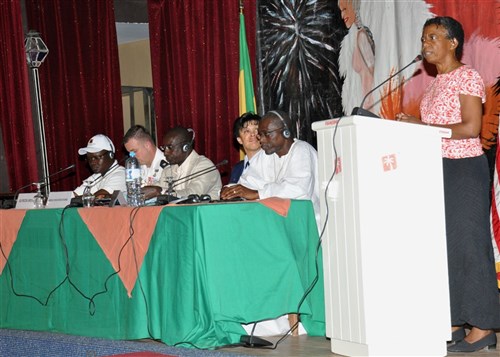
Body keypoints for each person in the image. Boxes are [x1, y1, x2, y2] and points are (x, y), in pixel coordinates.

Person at [396, 16, 500, 353]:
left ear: (453, 42)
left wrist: (420, 125)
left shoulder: (466, 76)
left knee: (469, 246)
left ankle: (483, 326)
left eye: (433, 37)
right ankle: (454, 321)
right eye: (423, 37)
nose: (425, 44)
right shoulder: (433, 85)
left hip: (464, 169)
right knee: (444, 250)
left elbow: (471, 127)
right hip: (436, 170)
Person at [220, 110, 320, 225]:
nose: (261, 140)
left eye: (266, 134)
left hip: (308, 223)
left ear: (285, 132)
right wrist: (230, 190)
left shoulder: (302, 150)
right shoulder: (266, 155)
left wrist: (257, 193)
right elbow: (247, 183)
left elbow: (298, 189)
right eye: (260, 135)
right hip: (280, 223)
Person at [153, 126, 222, 200]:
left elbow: (192, 193)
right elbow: (156, 189)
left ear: (185, 147)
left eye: (170, 147)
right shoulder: (168, 170)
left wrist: (161, 192)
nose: (165, 153)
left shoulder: (205, 166)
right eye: (164, 148)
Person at [338, 0, 376, 112]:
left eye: (344, 9)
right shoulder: (357, 36)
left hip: (370, 104)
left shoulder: (362, 36)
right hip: (364, 103)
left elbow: (373, 71)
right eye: (341, 11)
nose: (342, 15)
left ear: (354, 8)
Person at [74, 134, 126, 198]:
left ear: (111, 155)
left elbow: (101, 195)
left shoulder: (121, 174)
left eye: (97, 157)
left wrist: (76, 199)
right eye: (89, 158)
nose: (92, 162)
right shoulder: (96, 176)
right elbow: (74, 195)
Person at [123, 125, 167, 200]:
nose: (132, 156)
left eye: (134, 151)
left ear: (147, 145)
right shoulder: (136, 167)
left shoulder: (167, 165)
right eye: (130, 153)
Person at [229, 112, 261, 184]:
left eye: (256, 130)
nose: (253, 134)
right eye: (247, 131)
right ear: (239, 140)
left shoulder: (272, 162)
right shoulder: (237, 169)